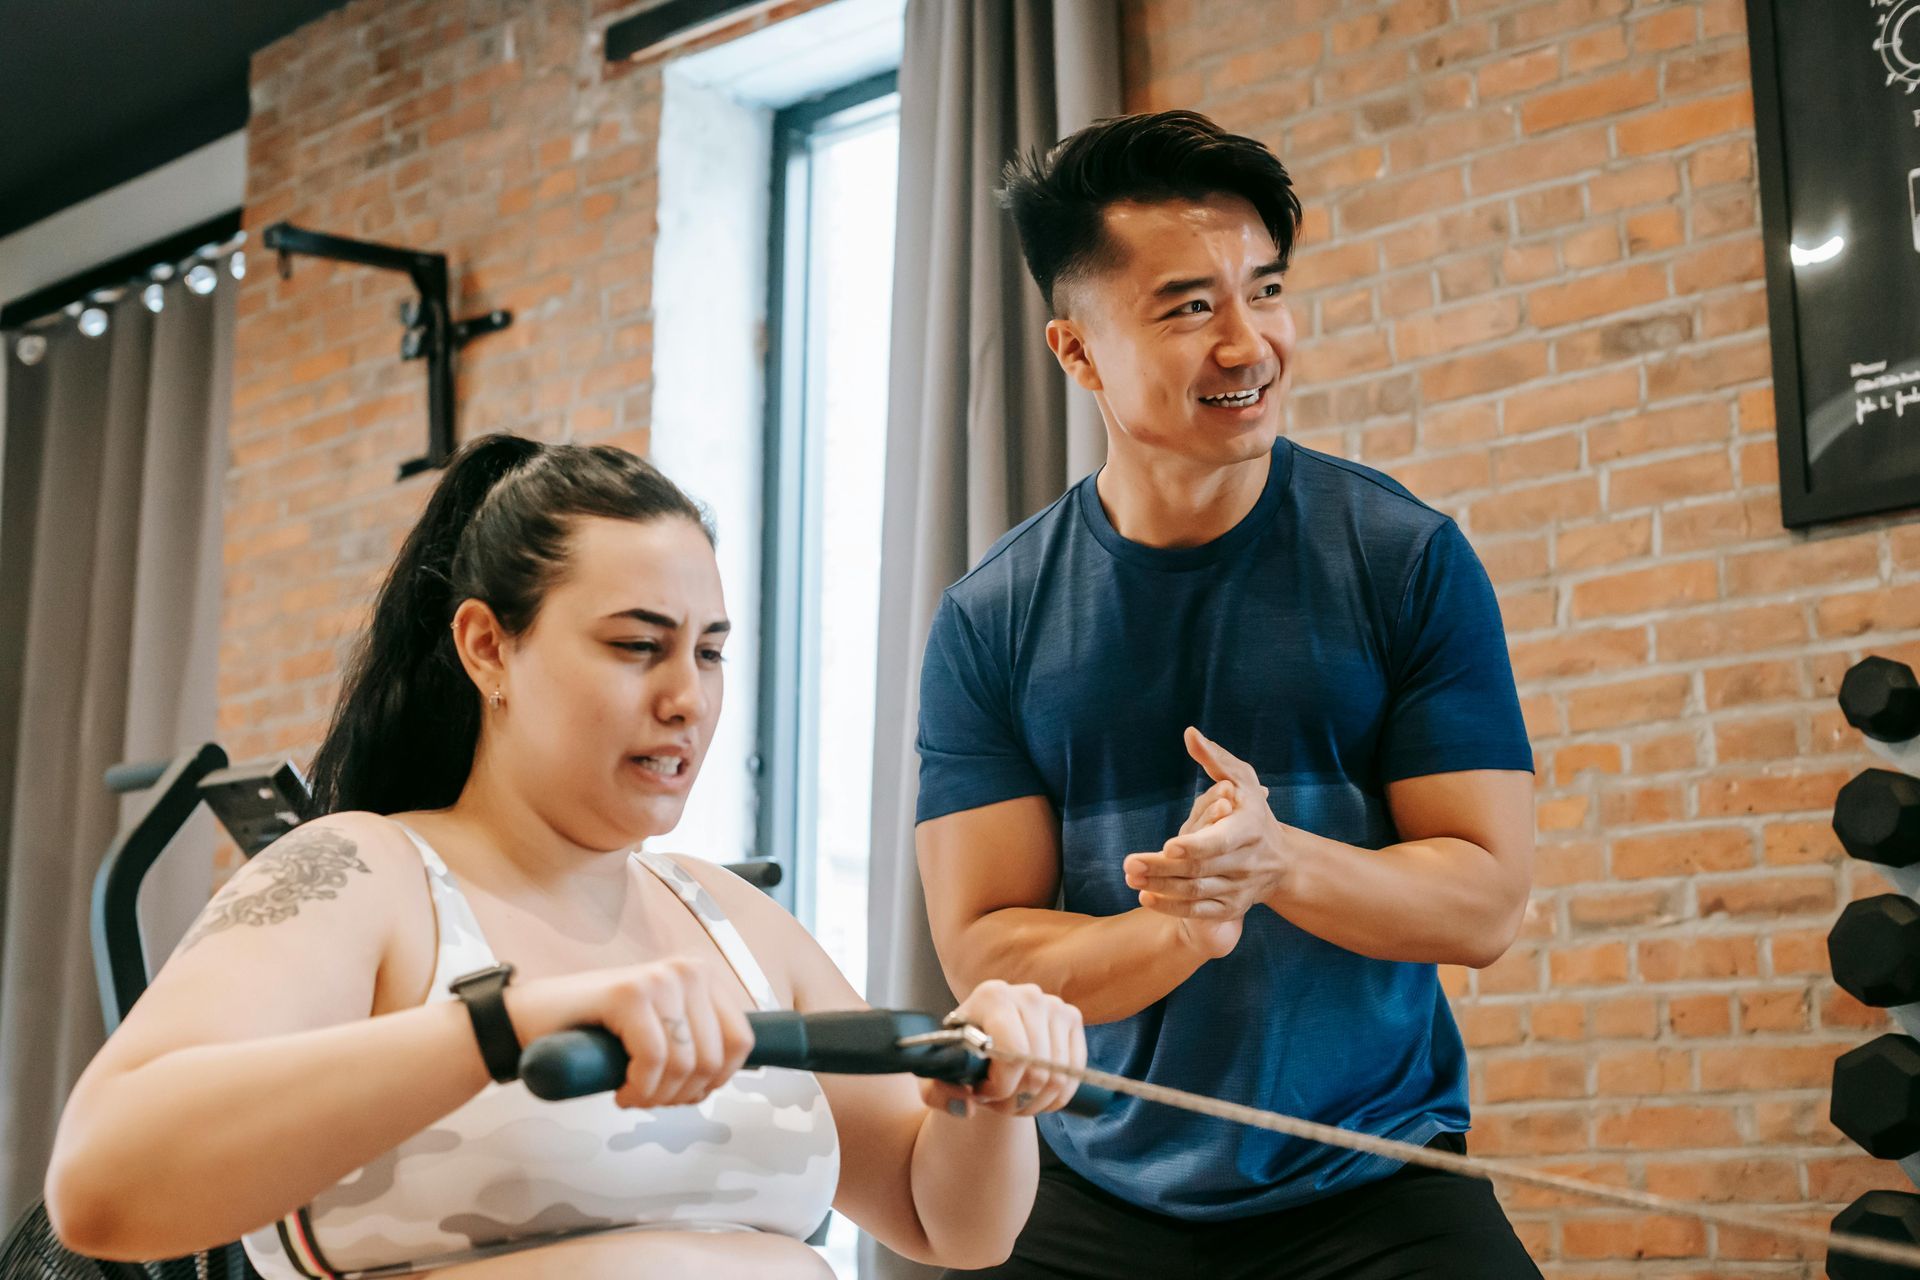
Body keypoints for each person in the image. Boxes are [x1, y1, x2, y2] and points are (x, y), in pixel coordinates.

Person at [44, 434, 1087, 1280]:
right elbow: (100, 1183)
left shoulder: (724, 913)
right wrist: (503, 1024)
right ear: (488, 647)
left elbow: (946, 1220)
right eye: (637, 644)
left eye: (710, 650)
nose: (687, 695)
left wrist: (989, 1097)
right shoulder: (364, 873)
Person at [913, 110, 1541, 1278]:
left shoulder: (1406, 558)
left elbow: (1485, 902)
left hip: (1376, 1182)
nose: (1249, 343)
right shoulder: (989, 620)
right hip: (1091, 1189)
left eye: (1267, 290)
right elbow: (988, 952)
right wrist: (1176, 930)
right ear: (1076, 351)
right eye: (1191, 306)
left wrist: (1276, 863)